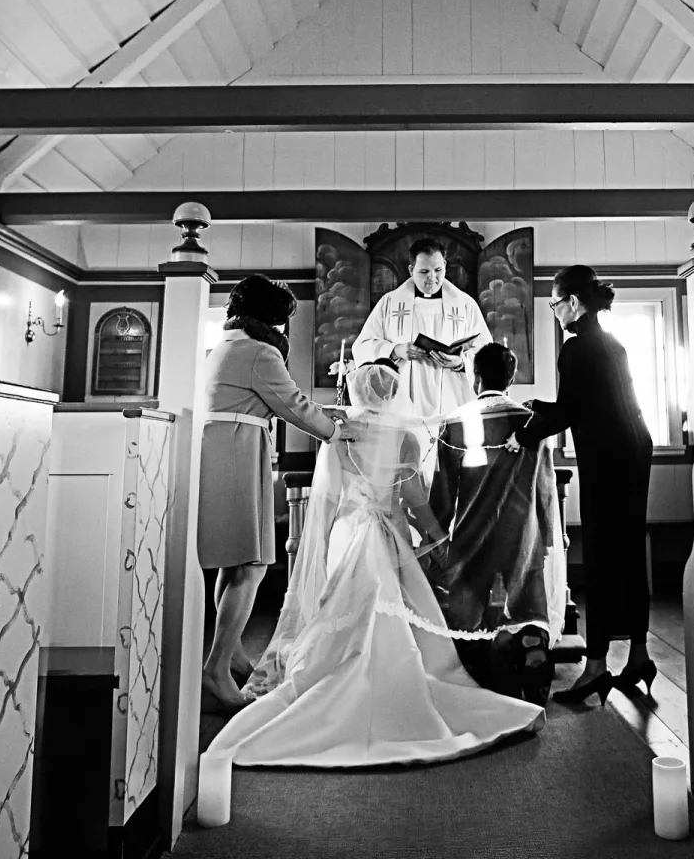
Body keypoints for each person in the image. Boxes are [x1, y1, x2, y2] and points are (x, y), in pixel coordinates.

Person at [201, 363, 542, 776]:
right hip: (386, 530)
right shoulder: (402, 435)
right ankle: (399, 686)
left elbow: (326, 501)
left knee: (347, 603)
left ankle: (334, 673)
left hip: (348, 529)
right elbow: (413, 500)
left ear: (357, 392)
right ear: (394, 394)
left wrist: (322, 547)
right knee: (389, 601)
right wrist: (437, 540)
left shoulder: (338, 433)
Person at [197, 275, 352, 712]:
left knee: (235, 563)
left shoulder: (224, 346)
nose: (284, 329)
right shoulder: (260, 352)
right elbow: (295, 406)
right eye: (283, 319)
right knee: (253, 564)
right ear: (270, 318)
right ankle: (216, 667)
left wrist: (326, 417)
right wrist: (338, 430)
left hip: (222, 451)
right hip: (236, 455)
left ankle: (234, 656)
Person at [511, 265, 654, 705]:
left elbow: (569, 413)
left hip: (608, 457)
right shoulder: (612, 344)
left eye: (555, 303)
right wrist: (540, 407)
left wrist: (522, 434)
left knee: (602, 554)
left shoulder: (575, 348)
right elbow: (583, 403)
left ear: (574, 302)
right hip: (635, 449)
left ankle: (595, 666)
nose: (555, 311)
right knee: (630, 549)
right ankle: (639, 655)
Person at [428, 343, 562, 705]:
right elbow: (545, 485)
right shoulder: (531, 422)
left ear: (475, 377)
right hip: (523, 529)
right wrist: (549, 533)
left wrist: (436, 535)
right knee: (528, 598)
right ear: (511, 378)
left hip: (474, 528)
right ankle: (531, 640)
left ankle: (477, 674)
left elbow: (444, 487)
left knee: (466, 605)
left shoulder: (455, 421)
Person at [353, 238, 491, 418]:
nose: (432, 278)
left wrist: (460, 363)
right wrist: (396, 350)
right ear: (411, 270)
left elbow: (486, 352)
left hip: (452, 400)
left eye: (438, 270)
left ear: (445, 265)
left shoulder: (465, 305)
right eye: (424, 271)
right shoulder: (390, 303)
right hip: (403, 401)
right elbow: (361, 346)